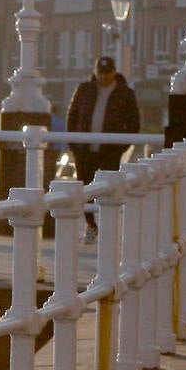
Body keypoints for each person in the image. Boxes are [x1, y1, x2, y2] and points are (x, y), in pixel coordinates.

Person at [65, 56, 141, 239]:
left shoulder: (125, 93)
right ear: (95, 72)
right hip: (84, 150)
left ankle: (109, 229)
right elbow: (72, 117)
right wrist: (73, 145)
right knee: (84, 189)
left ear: (114, 72)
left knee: (109, 190)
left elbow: (133, 123)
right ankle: (91, 225)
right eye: (100, 72)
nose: (104, 77)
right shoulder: (84, 90)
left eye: (107, 73)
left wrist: (120, 147)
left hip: (109, 152)